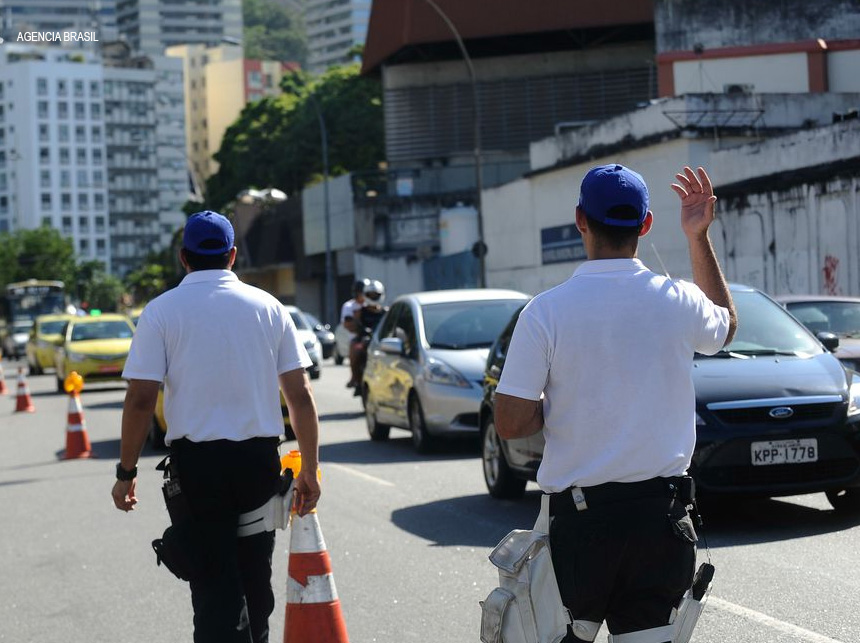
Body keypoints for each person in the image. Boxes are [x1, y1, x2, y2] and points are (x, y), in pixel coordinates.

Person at [495, 165, 736, 643]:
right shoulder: (678, 299)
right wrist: (697, 235)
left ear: (581, 220)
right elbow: (725, 327)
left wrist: (564, 406)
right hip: (661, 521)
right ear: (646, 225)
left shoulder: (545, 311)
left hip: (581, 527)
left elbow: (510, 421)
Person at [110, 210, 322, 643]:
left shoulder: (161, 312)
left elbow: (140, 400)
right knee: (254, 584)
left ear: (183, 257)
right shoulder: (268, 307)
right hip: (258, 464)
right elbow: (300, 397)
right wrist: (309, 470)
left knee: (213, 588)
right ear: (232, 255)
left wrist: (126, 473)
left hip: (197, 470)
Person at [349, 279, 387, 396]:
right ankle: (355, 377)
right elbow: (354, 325)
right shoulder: (360, 311)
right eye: (371, 295)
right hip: (364, 340)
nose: (373, 297)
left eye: (376, 295)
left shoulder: (385, 312)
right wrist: (360, 328)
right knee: (355, 349)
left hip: (380, 342)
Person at [341, 279, 368, 388]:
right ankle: (354, 376)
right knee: (355, 352)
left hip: (373, 337)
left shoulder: (371, 304)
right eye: (362, 292)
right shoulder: (349, 306)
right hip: (357, 338)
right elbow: (347, 324)